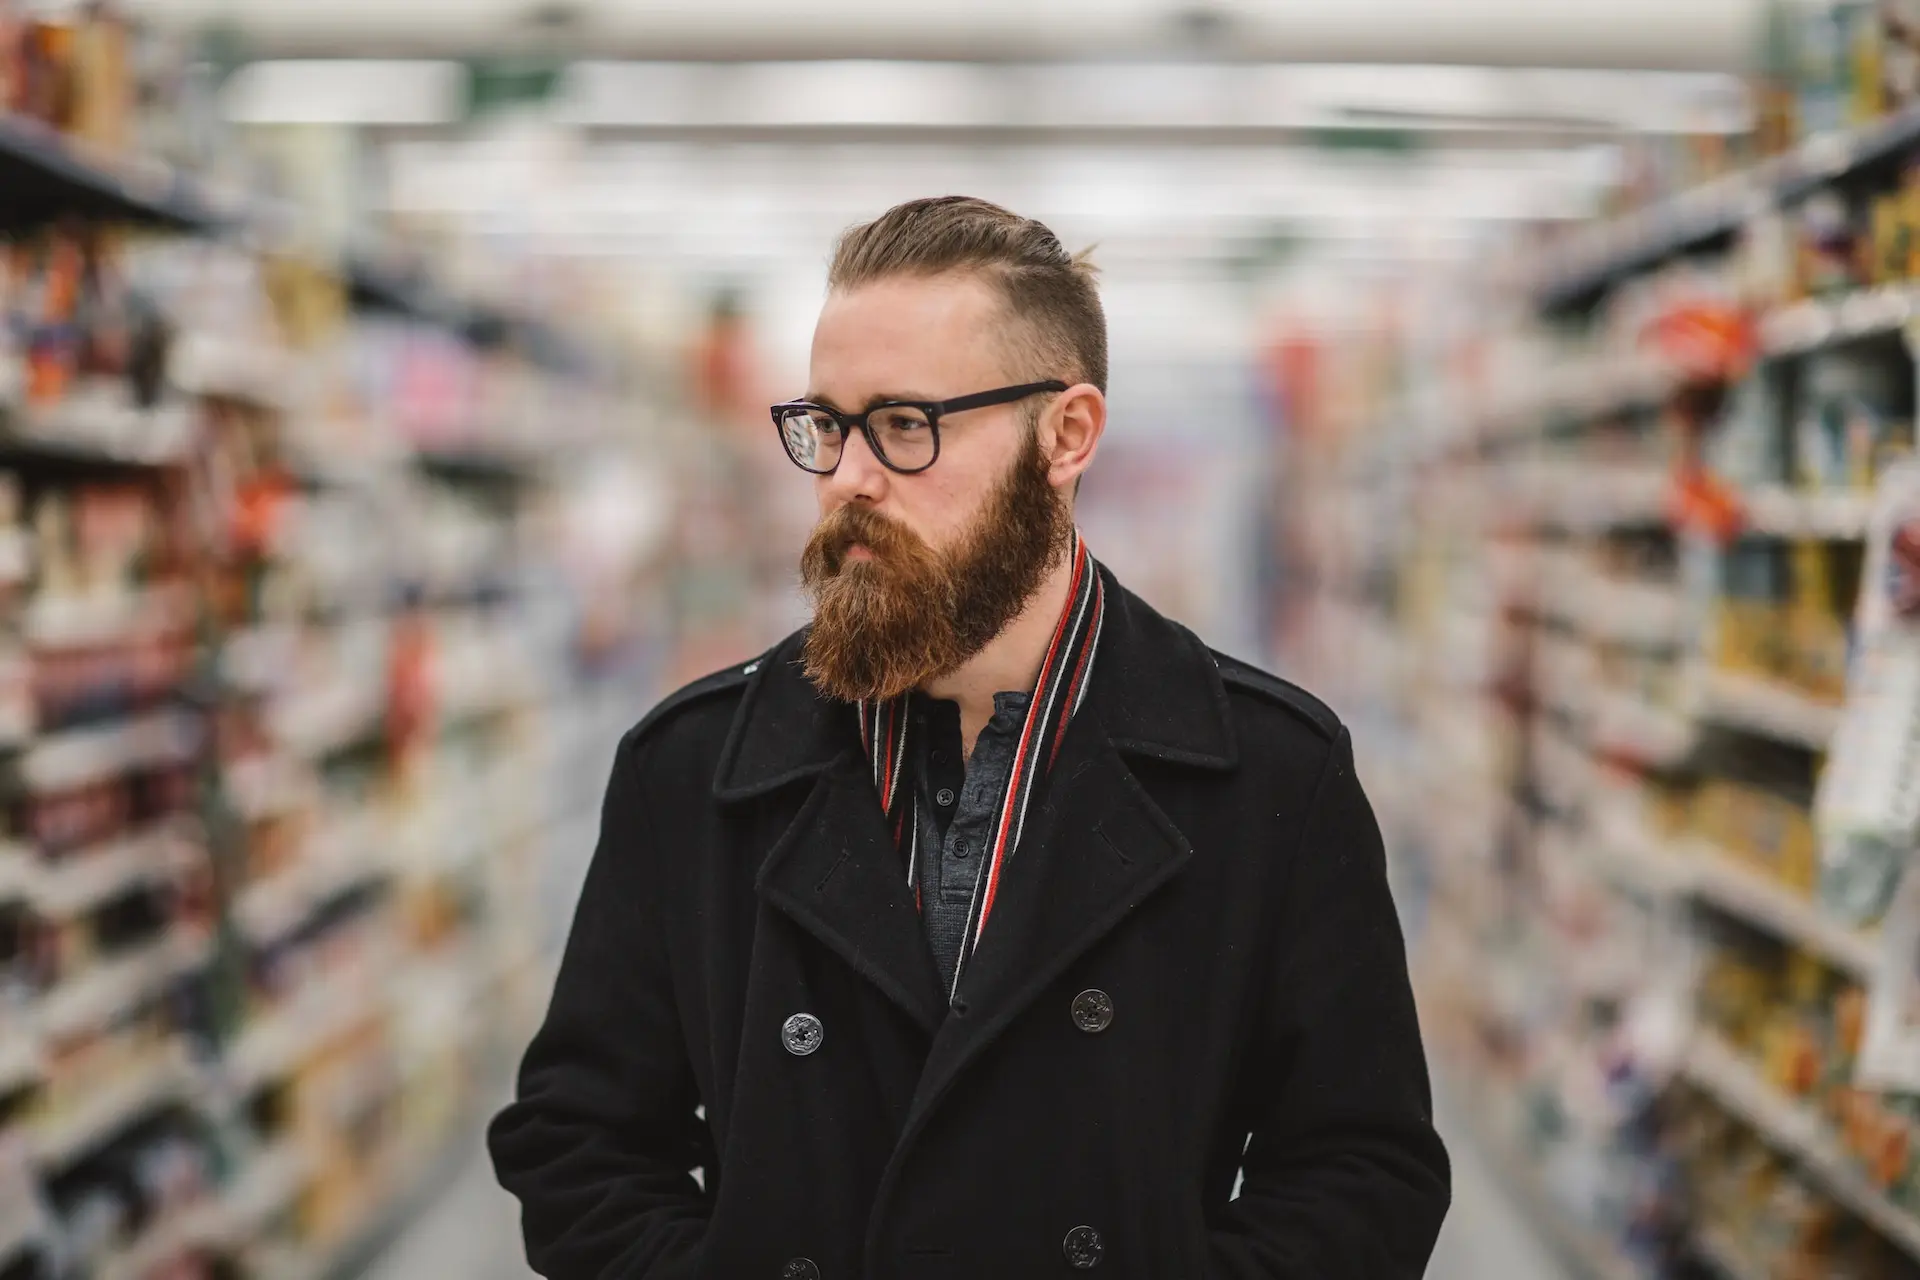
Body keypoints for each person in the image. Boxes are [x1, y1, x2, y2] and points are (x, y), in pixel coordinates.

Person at [488, 196, 1450, 1279]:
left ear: (1066, 435)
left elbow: (1362, 1172)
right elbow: (578, 1144)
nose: (847, 475)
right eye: (827, 423)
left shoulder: (1272, 775)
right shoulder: (692, 768)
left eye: (905, 424)